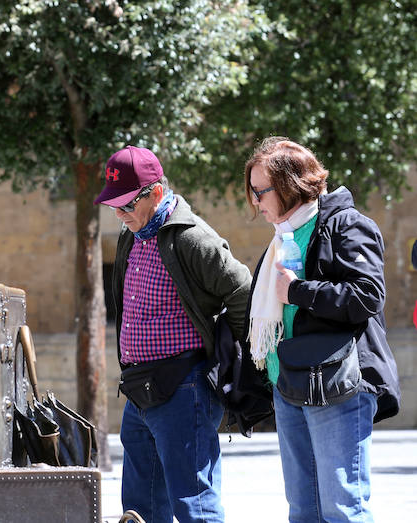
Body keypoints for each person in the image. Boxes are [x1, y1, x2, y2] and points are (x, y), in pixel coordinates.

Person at [244, 137, 400, 522]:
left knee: (343, 508)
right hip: (290, 385)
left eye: (259, 192)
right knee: (304, 511)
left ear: (288, 186)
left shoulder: (346, 225)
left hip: (337, 386)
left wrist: (297, 291)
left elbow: (367, 296)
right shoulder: (281, 236)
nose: (255, 203)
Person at [95, 146, 252, 523]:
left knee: (194, 505)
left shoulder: (192, 237)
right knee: (140, 507)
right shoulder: (131, 234)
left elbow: (242, 288)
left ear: (157, 193)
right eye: (113, 205)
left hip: (185, 388)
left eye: (127, 205)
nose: (119, 214)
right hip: (139, 388)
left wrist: (224, 350)